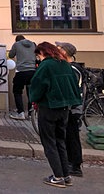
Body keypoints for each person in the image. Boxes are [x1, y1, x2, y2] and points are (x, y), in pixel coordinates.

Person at [29, 42, 81, 188]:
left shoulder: (46, 65)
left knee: (49, 143)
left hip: (49, 106)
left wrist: (34, 99)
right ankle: (66, 175)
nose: (38, 58)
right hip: (65, 108)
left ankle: (58, 176)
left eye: (38, 55)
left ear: (43, 53)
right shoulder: (64, 64)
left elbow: (38, 86)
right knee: (60, 142)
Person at [55, 41, 84, 177]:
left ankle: (76, 165)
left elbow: (71, 89)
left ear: (64, 52)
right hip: (69, 107)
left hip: (73, 108)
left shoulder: (72, 70)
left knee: (72, 136)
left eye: (59, 48)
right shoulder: (68, 67)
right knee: (67, 135)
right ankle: (69, 161)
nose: (56, 50)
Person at [8, 35, 37, 120]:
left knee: (17, 92)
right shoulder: (33, 44)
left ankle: (21, 113)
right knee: (31, 93)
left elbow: (11, 55)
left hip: (21, 71)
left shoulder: (16, 44)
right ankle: (31, 113)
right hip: (32, 71)